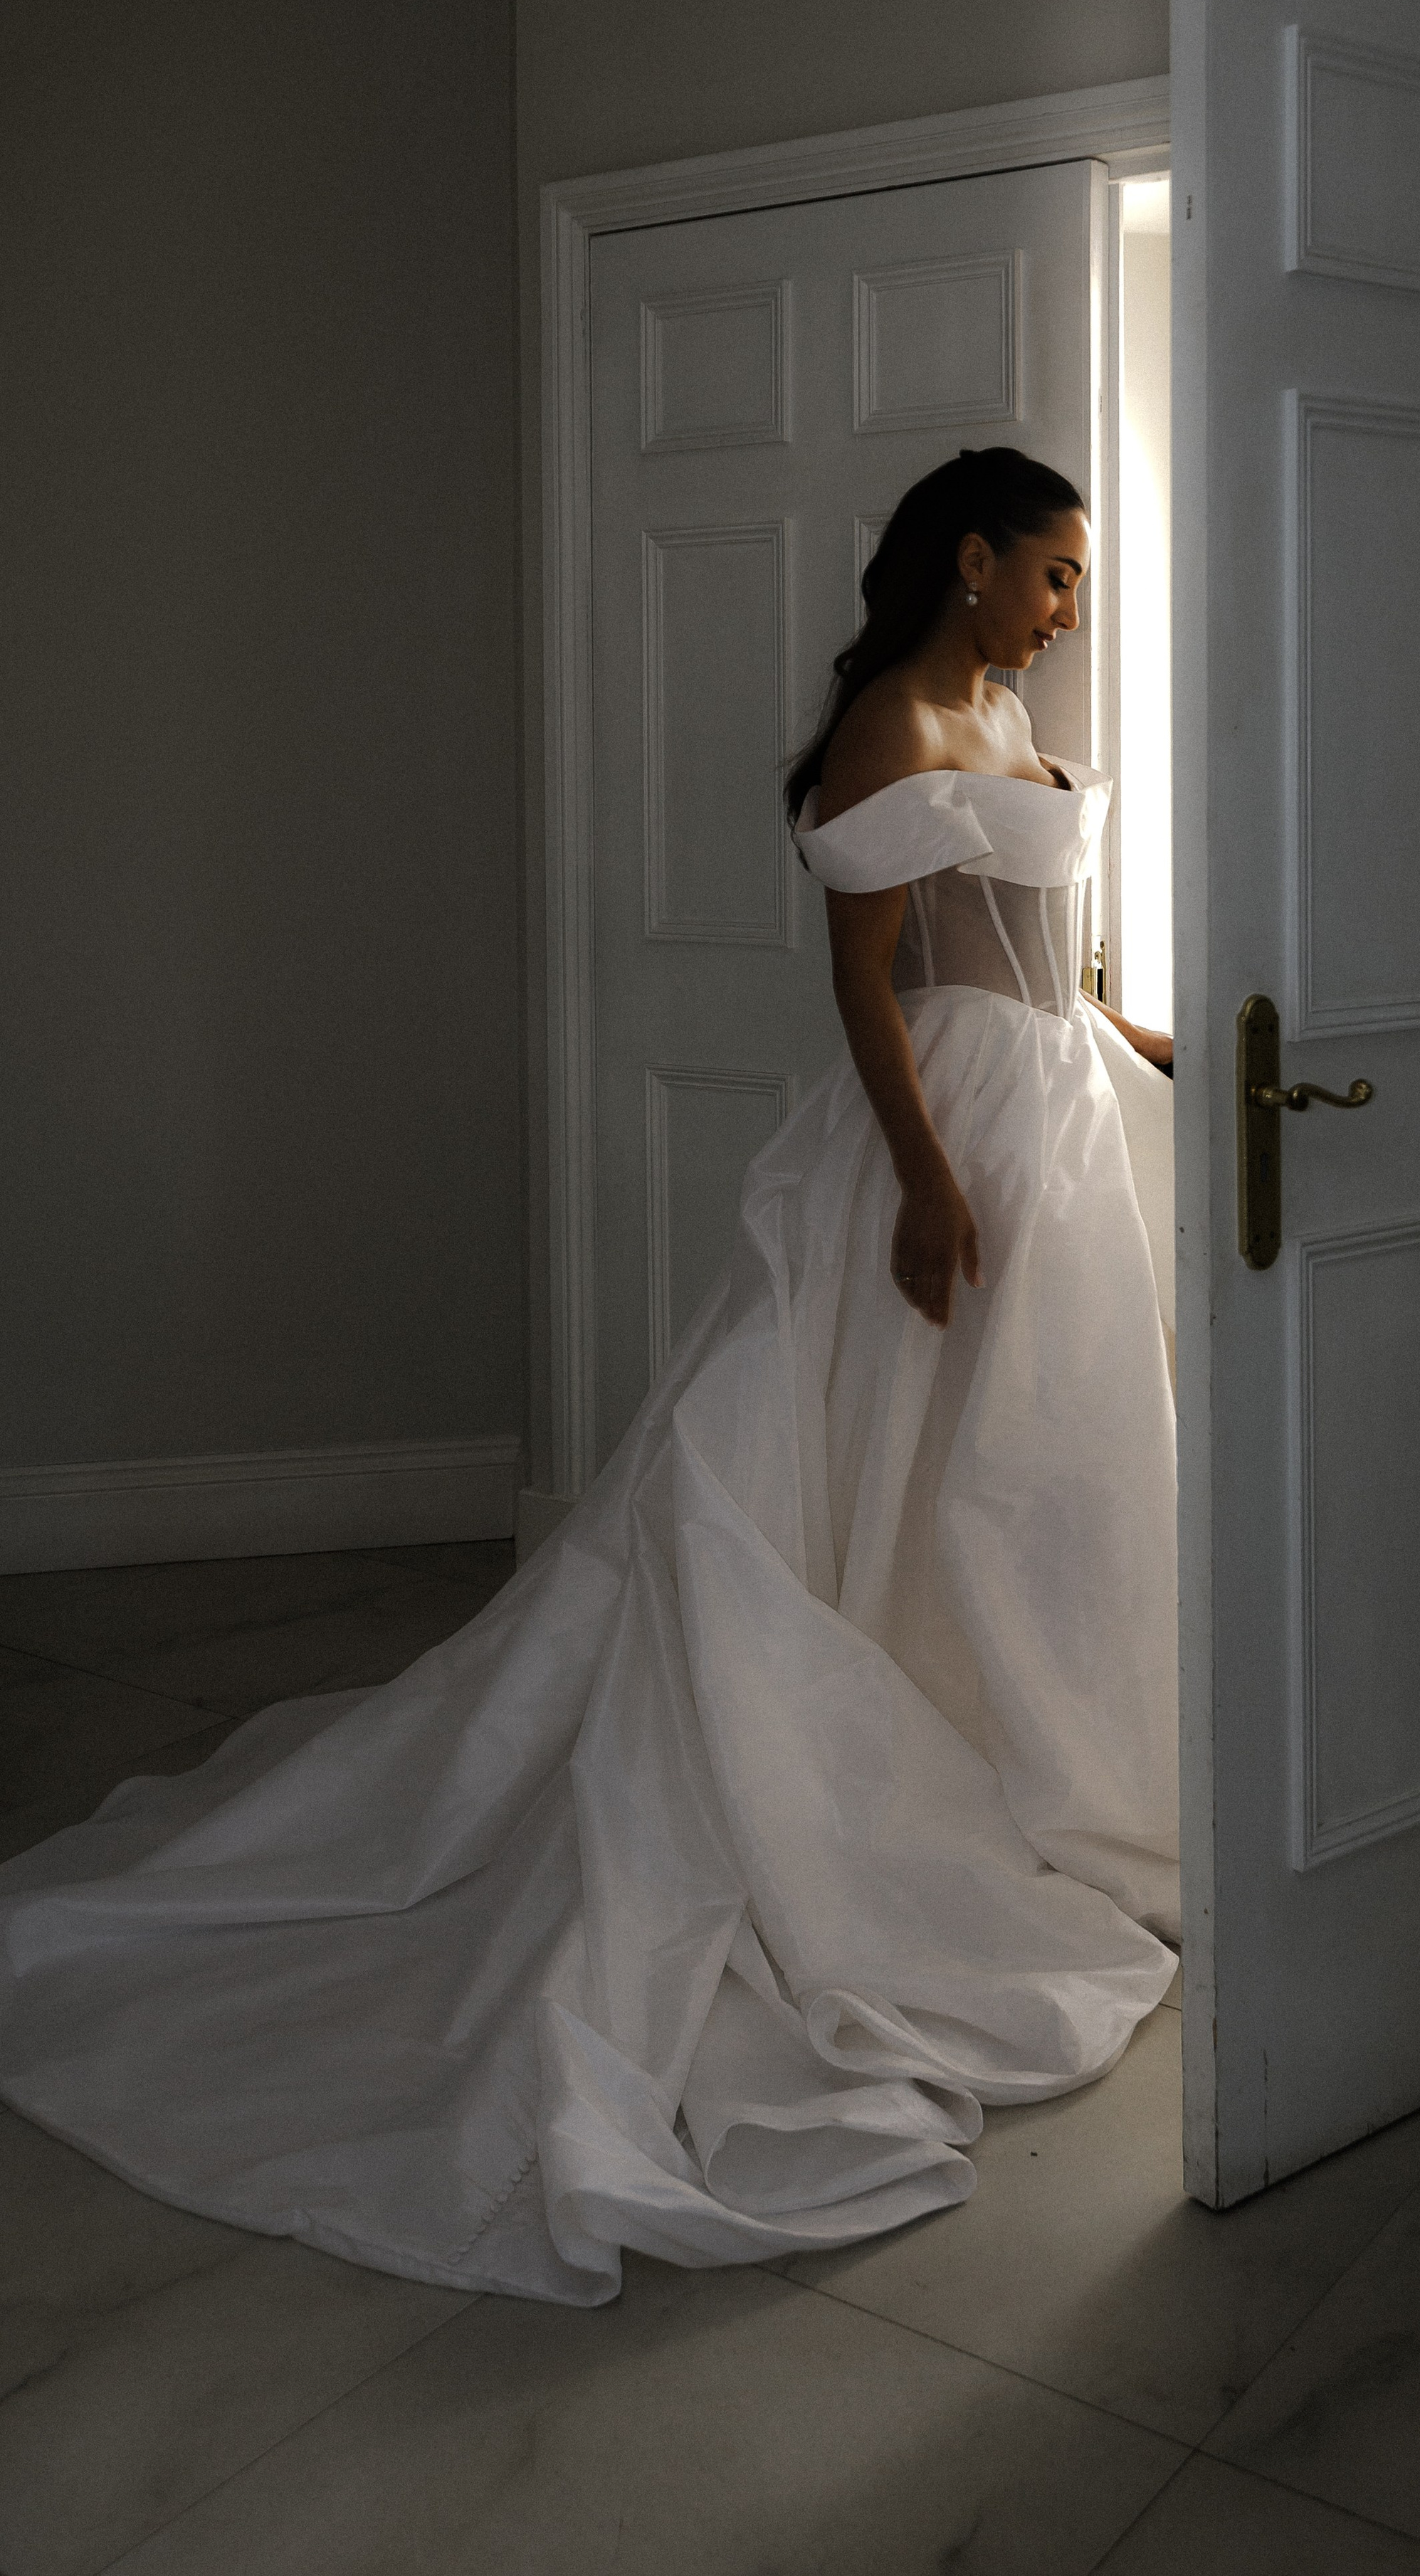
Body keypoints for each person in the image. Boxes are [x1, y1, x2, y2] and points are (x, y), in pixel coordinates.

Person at [0, 447, 1179, 2308]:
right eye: (1051, 572)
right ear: (971, 560)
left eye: (1076, 580)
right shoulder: (891, 723)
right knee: (889, 1469)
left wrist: (1136, 1035)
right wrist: (929, 1184)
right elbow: (871, 985)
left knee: (1031, 1479)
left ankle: (1037, 1766)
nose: (1068, 605)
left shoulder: (1008, 709)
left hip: (1058, 1120)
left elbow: (1046, 950)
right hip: (948, 1135)